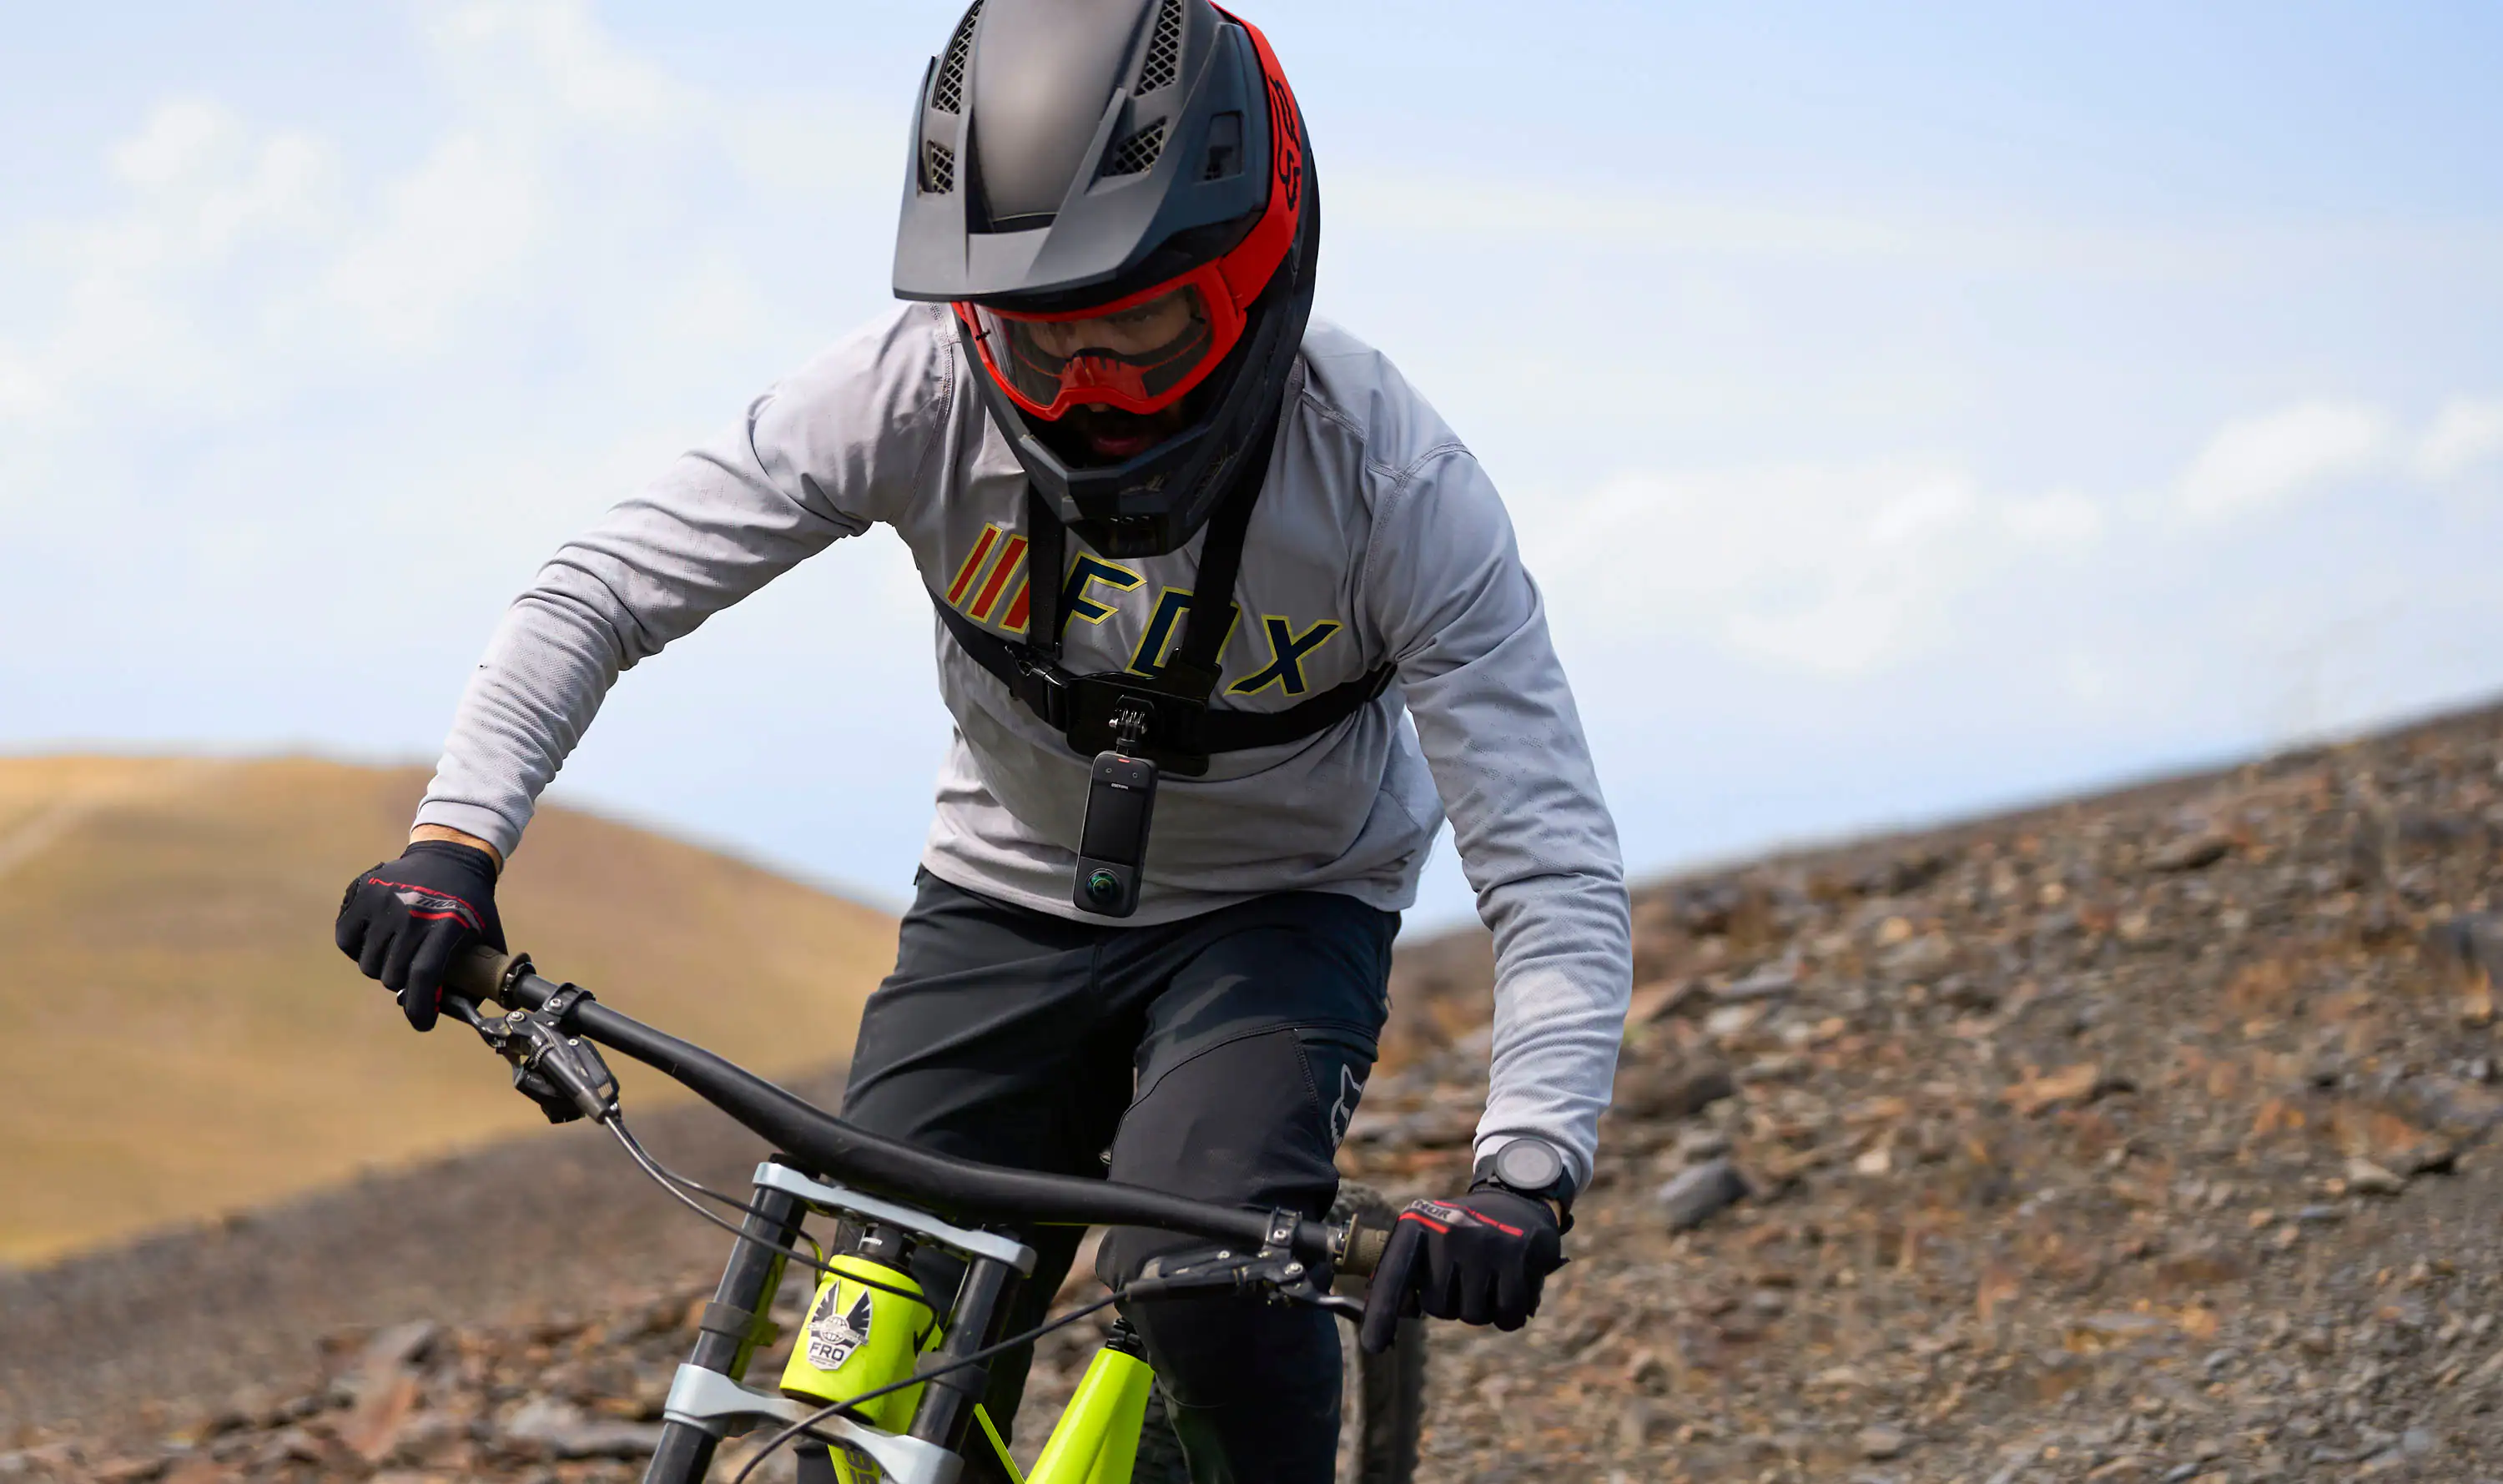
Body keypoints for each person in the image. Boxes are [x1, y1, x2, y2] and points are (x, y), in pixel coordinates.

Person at [334, 2, 1630, 1478]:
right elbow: (601, 589)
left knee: (1202, 1292)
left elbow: (1549, 862)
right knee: (857, 1368)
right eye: (1036, 334)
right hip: (1001, 895)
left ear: (1256, 274)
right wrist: (456, 840)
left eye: (1138, 329)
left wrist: (1526, 1168)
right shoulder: (910, 385)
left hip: (1275, 915)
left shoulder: (1397, 487)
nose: (1084, 389)